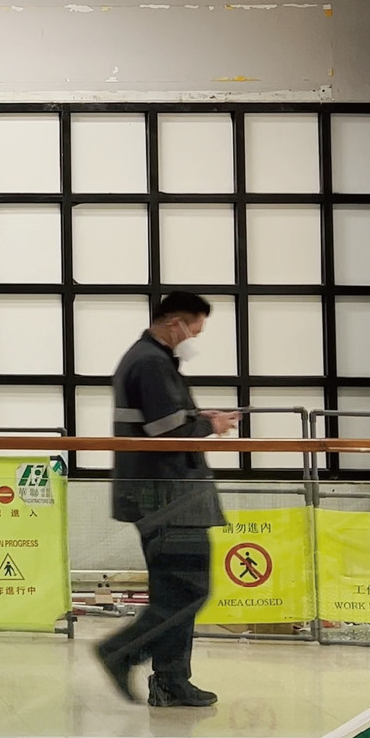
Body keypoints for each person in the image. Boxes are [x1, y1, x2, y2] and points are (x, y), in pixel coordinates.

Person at [96, 291, 240, 708]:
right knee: (188, 590)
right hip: (168, 498)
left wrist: (200, 418)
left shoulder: (149, 360)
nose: (194, 338)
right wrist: (210, 427)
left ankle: (171, 681)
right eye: (194, 329)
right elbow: (168, 432)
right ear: (175, 323)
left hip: (165, 495)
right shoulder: (151, 363)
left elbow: (166, 421)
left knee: (176, 591)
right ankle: (122, 652)